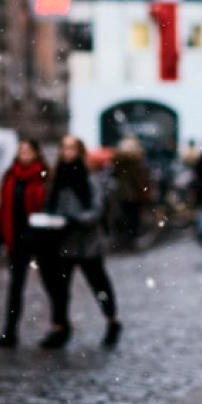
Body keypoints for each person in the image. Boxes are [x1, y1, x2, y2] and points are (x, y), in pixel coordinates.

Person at [41, 135, 123, 349]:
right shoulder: (57, 178)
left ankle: (112, 320)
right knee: (60, 288)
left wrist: (76, 219)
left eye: (72, 148)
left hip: (87, 241)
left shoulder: (89, 178)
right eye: (64, 148)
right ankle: (59, 326)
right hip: (63, 240)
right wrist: (53, 220)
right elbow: (51, 205)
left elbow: (96, 210)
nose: (67, 152)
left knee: (98, 283)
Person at [0, 139, 52, 348]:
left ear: (36, 153)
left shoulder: (43, 176)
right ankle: (9, 331)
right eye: (21, 150)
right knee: (15, 287)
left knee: (51, 285)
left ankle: (58, 326)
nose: (24, 154)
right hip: (16, 240)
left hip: (40, 240)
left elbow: (47, 206)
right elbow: (3, 208)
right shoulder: (11, 176)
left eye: (28, 150)